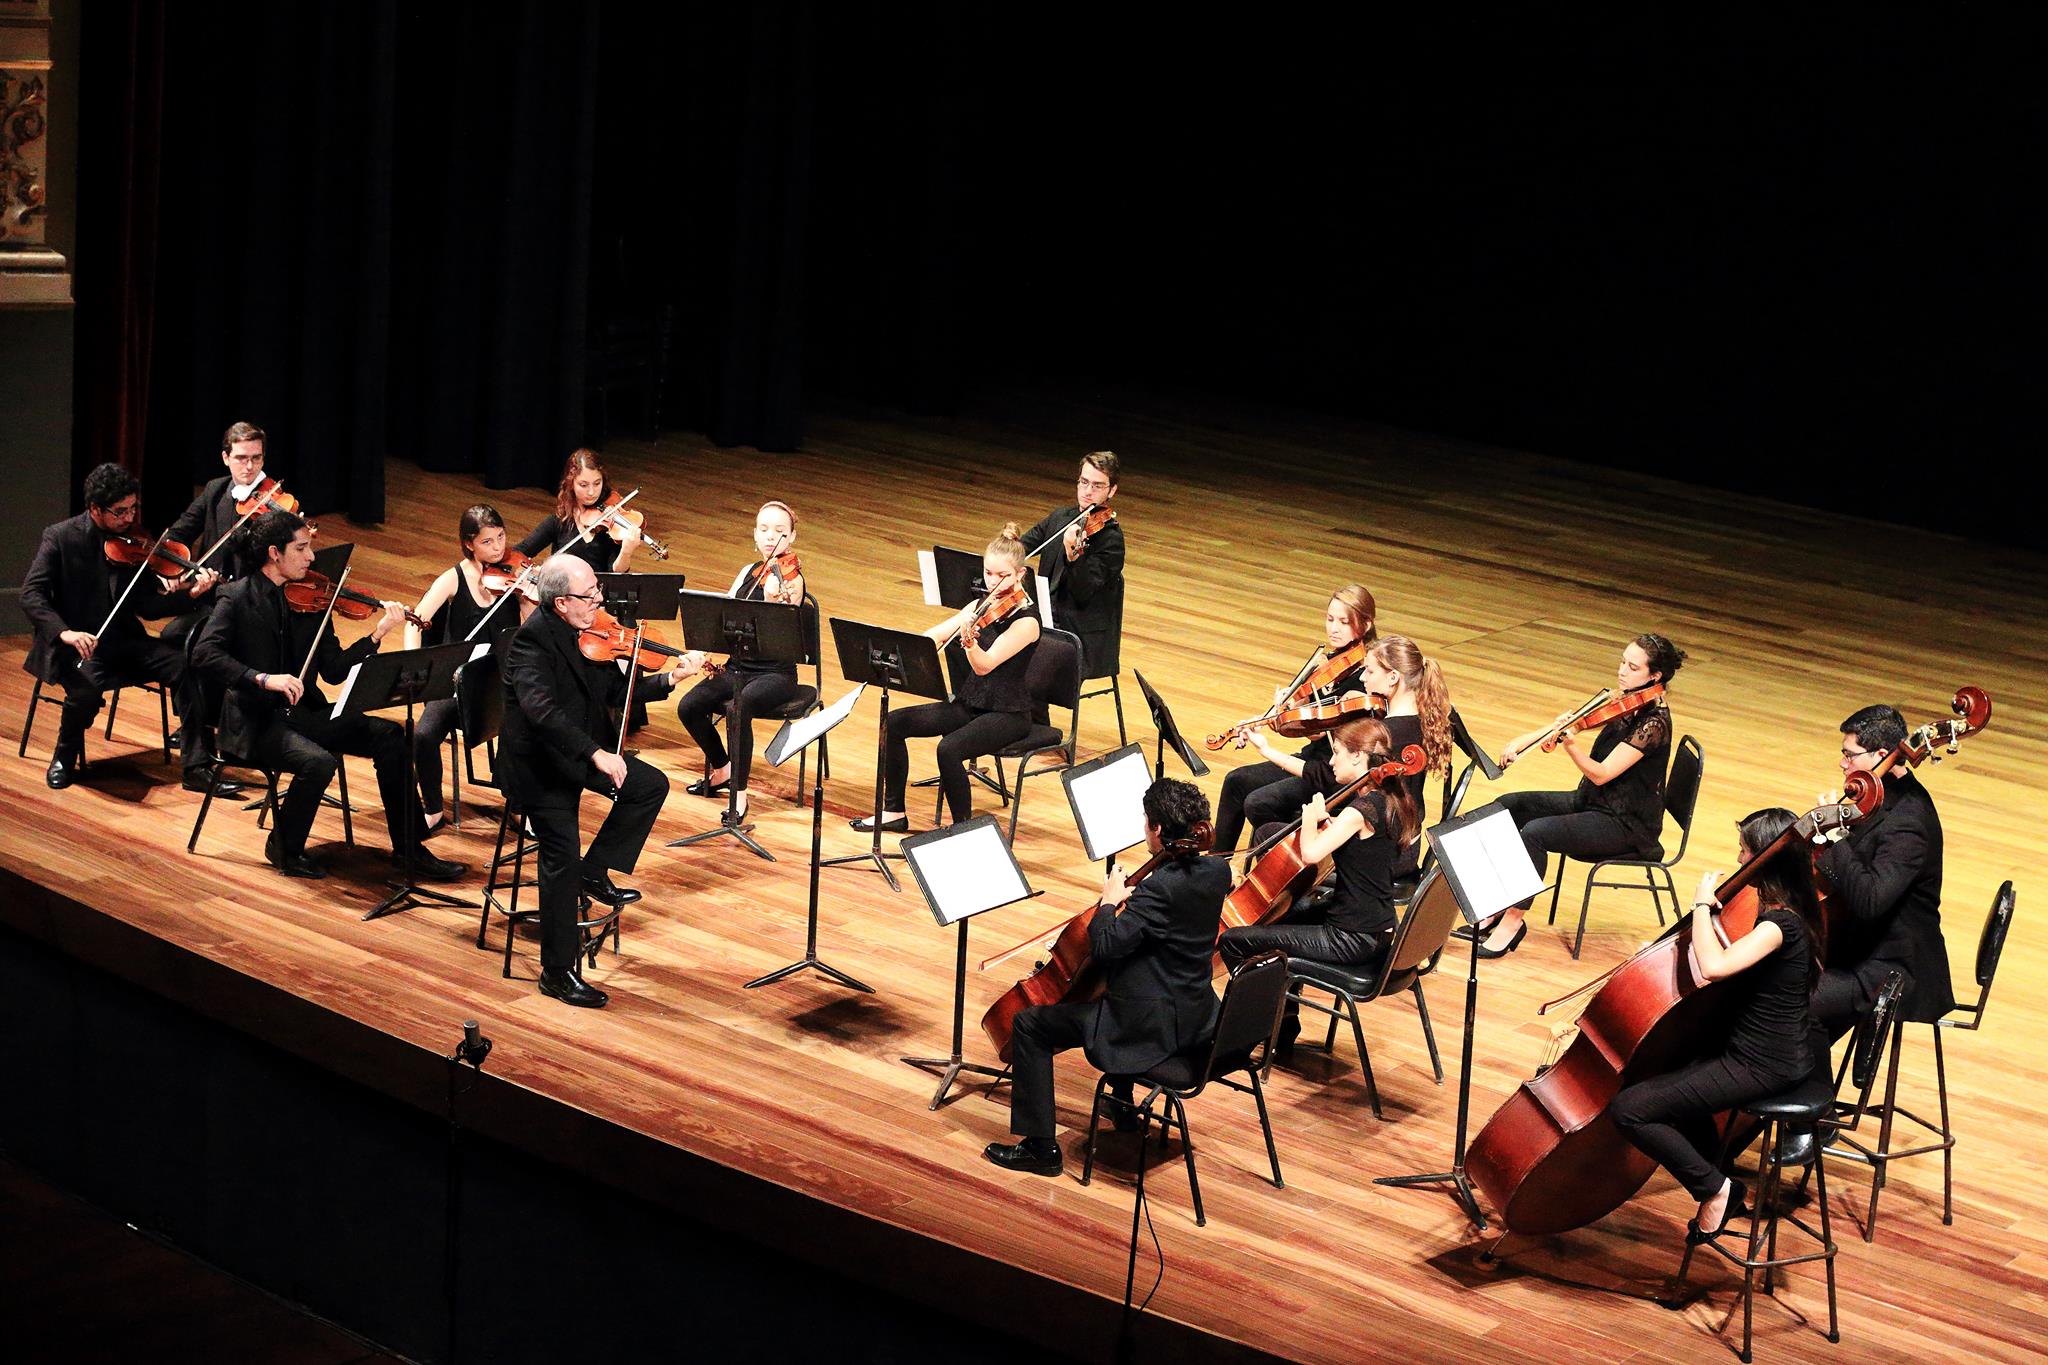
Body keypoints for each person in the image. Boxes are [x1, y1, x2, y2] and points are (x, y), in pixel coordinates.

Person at [191, 510, 467, 884]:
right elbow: (204, 653)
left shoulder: (312, 601)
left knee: (391, 738)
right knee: (318, 762)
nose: (311, 557)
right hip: (255, 721)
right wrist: (261, 678)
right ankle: (284, 846)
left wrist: (377, 634)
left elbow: (335, 670)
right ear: (275, 553)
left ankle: (409, 850)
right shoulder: (236, 598)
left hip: (304, 713)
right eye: (302, 548)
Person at [983, 778, 1230, 1175]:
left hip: (1149, 1029)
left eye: (1147, 823)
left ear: (1160, 830)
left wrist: (1109, 903)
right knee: (1116, 985)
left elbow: (1106, 946)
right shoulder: (1218, 871)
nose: (1144, 829)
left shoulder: (1160, 889)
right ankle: (1121, 1101)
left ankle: (1040, 1148)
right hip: (1196, 1017)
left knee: (1029, 1024)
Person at [1610, 807, 1825, 1239]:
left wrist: (1701, 907)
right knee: (1680, 1085)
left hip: (1763, 1064)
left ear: (1767, 859)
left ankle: (1713, 1188)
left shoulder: (1780, 925)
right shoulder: (1794, 908)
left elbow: (1713, 966)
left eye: (1745, 853)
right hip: (1775, 1053)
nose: (1740, 861)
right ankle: (1724, 1180)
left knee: (1630, 1109)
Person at [500, 555, 687, 1008]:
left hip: (576, 753)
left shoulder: (586, 633)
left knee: (647, 785)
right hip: (538, 767)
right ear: (561, 602)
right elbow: (543, 715)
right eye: (590, 595)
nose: (600, 600)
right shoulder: (531, 645)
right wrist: (596, 753)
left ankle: (595, 870)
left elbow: (611, 695)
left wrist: (667, 678)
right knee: (560, 854)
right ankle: (557, 972)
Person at [1463, 633, 1683, 958]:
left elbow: (1601, 773)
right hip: (1592, 803)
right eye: (1623, 661)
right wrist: (1526, 739)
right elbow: (1575, 723)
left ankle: (1512, 922)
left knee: (1534, 835)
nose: (1622, 670)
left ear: (1655, 676)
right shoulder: (1625, 701)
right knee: (1511, 807)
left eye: (1633, 667)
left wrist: (1571, 748)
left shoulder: (1654, 724)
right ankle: (1498, 905)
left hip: (1625, 825)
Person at [1217, 716, 1421, 1051]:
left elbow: (1311, 853)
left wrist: (1311, 818)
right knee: (1287, 914)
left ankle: (1240, 1036)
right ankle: (1281, 1028)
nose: (1330, 761)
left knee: (1236, 941)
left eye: (1337, 752)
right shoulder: (1390, 801)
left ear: (1358, 757)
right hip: (1377, 927)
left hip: (1351, 937)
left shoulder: (1359, 811)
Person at [20, 463, 210, 790]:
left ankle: (197, 768)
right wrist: (65, 632)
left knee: (186, 666)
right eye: (120, 512)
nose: (129, 518)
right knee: (86, 690)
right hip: (76, 645)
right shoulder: (61, 538)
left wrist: (188, 594)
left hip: (123, 642)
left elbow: (148, 607)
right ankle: (64, 756)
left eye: (133, 508)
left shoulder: (132, 544)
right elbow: (31, 594)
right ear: (95, 508)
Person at [852, 524, 1041, 833]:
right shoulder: (980, 606)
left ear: (1020, 575)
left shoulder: (1027, 622)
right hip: (971, 703)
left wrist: (968, 640)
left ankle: (962, 830)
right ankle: (893, 812)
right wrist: (911, 650)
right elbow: (933, 637)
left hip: (1007, 712)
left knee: (949, 749)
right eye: (988, 573)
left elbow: (984, 665)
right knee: (894, 722)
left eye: (1002, 575)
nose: (993, 582)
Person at [1812, 704, 1951, 1034]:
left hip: (1889, 968)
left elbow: (1870, 900)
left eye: (1850, 755)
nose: (1843, 763)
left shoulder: (1907, 823)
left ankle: (1804, 1083)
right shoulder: (1879, 795)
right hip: (1860, 945)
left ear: (1882, 754)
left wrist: (1835, 840)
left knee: (1778, 1001)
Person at [1213, 584, 1378, 854]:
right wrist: (1280, 713)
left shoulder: (1362, 682)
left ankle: (1284, 866)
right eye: (1330, 619)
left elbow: (1322, 731)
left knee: (1258, 802)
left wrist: (1290, 718)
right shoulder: (1333, 663)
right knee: (1235, 781)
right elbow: (1314, 728)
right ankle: (1215, 867)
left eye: (1344, 622)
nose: (1333, 628)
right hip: (1313, 756)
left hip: (1333, 772)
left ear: (1366, 624)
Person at [673, 500, 806, 824]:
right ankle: (723, 768)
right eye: (764, 530)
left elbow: (787, 627)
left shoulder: (793, 579)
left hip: (775, 673)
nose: (771, 537)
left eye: (779, 531)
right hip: (737, 667)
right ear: (755, 535)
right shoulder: (747, 572)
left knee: (738, 708)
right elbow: (726, 614)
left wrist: (777, 600)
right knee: (689, 706)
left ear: (791, 538)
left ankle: (739, 797)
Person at [161, 419, 276, 781]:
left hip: (251, 609)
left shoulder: (274, 505)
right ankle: (197, 720)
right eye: (241, 458)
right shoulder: (215, 491)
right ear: (226, 457)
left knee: (202, 647)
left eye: (256, 458)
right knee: (172, 639)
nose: (250, 467)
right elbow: (180, 531)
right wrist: (171, 564)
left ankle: (202, 729)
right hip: (212, 601)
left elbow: (267, 561)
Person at [402, 504, 528, 834]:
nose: (499, 548)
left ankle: (516, 804)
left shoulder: (515, 578)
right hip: (455, 681)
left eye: (501, 537)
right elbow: (415, 623)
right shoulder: (452, 579)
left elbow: (529, 634)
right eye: (488, 542)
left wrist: (528, 600)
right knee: (424, 735)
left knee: (523, 726)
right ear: (469, 543)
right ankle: (431, 807)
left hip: (500, 680)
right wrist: (413, 665)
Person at [1019, 450, 1125, 680]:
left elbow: (1082, 593)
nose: (1088, 492)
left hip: (1077, 634)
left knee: (1019, 665)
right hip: (1045, 617)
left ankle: (1029, 716)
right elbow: (1023, 547)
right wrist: (1007, 544)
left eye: (1097, 486)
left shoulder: (1111, 540)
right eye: (1084, 482)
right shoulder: (1060, 518)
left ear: (1112, 490)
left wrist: (1074, 556)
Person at [514, 448, 645, 575]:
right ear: (571, 484)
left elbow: (615, 574)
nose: (591, 492)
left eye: (597, 483)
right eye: (583, 485)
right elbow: (520, 552)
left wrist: (626, 552)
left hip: (596, 593)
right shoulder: (558, 522)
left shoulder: (611, 524)